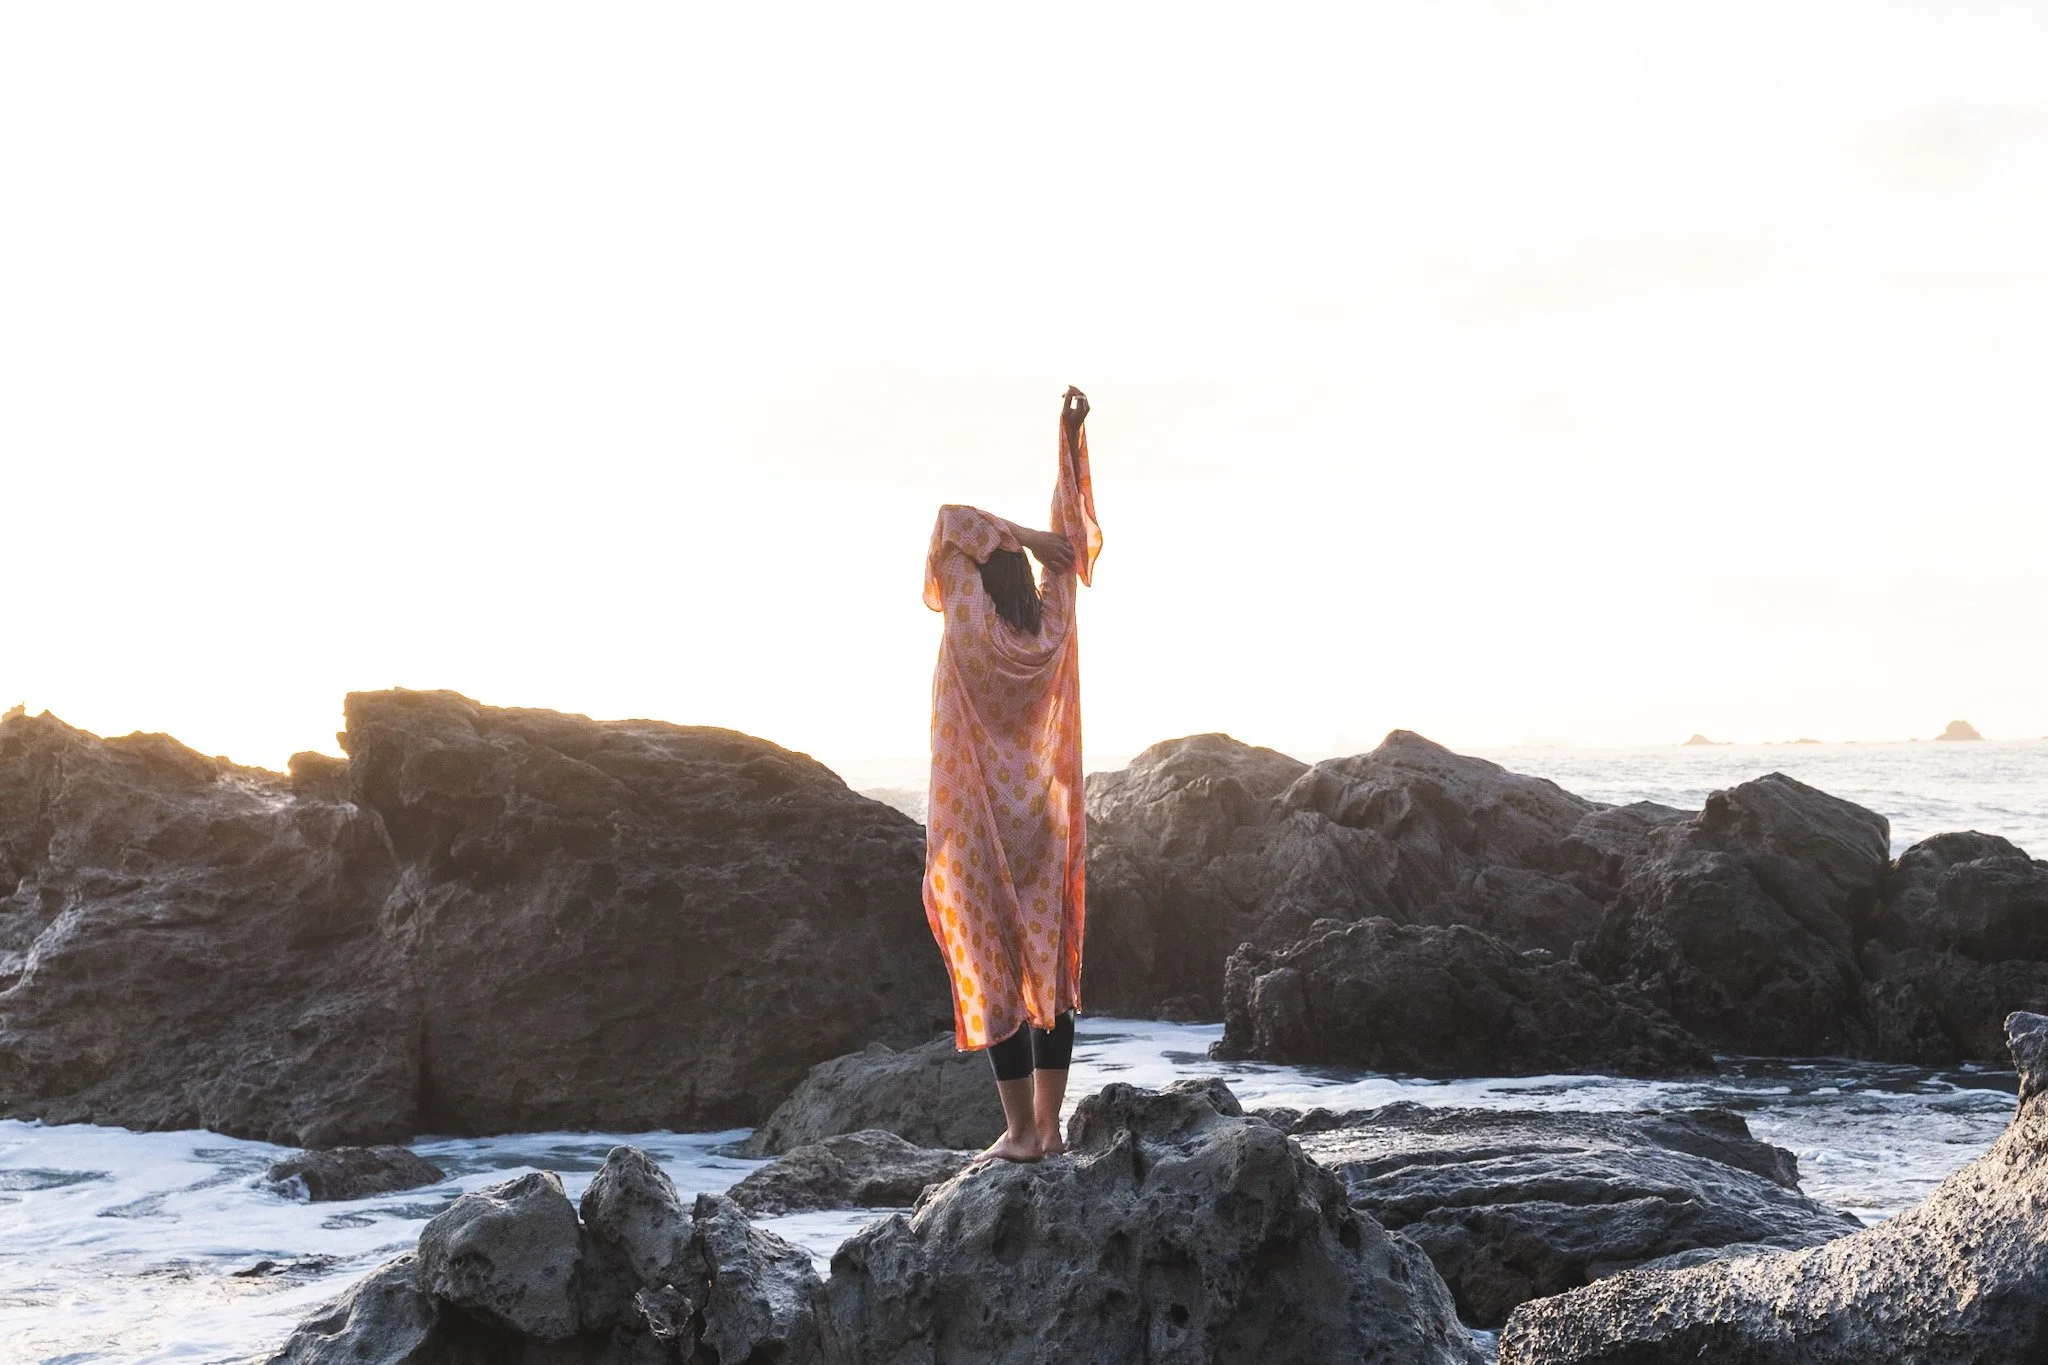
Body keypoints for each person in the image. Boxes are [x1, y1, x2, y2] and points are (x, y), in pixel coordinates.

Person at [922, 385, 1102, 1162]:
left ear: (975, 573)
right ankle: (1054, 1129)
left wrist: (1016, 534)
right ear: (1028, 579)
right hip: (1043, 824)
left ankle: (1020, 1131)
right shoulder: (1050, 627)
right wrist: (1069, 441)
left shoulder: (967, 619)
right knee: (1048, 966)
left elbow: (947, 521)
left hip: (976, 821)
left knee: (995, 968)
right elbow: (1070, 540)